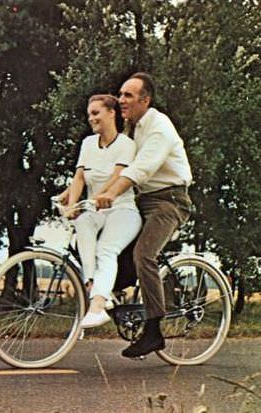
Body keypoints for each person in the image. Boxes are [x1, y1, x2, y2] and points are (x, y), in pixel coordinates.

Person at [94, 72, 193, 358]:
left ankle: (153, 330)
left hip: (169, 200)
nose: (121, 99)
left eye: (128, 95)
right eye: (120, 94)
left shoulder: (159, 127)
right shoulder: (130, 129)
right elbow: (114, 165)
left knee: (144, 255)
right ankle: (113, 300)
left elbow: (141, 170)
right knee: (108, 243)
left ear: (145, 100)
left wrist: (111, 194)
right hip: (140, 199)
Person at [60, 94, 142, 329]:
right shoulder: (87, 144)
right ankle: (92, 287)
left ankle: (97, 306)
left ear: (111, 113)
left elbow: (117, 178)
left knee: (106, 249)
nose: (91, 119)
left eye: (96, 113)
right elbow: (79, 178)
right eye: (89, 115)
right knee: (83, 223)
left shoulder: (126, 145)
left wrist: (95, 199)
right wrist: (73, 207)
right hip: (94, 210)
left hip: (122, 210)